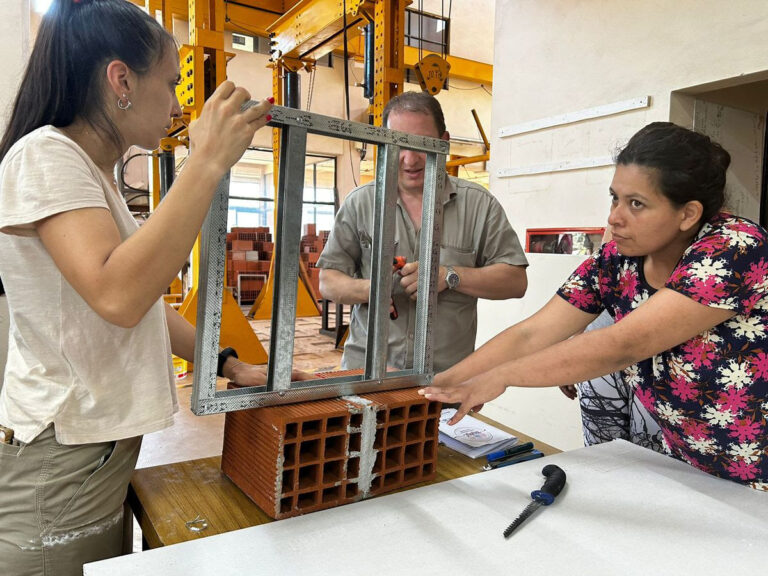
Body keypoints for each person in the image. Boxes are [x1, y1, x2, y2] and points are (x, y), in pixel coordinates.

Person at [0, 1, 286, 573]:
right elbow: (118, 297)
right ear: (121, 80)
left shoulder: (91, 172)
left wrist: (226, 362)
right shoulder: (47, 154)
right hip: (63, 457)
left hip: (92, 451)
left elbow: (143, 302)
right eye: (172, 83)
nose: (178, 105)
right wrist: (205, 163)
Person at [420, 121, 768, 490]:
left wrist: (498, 377)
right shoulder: (617, 260)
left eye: (636, 204)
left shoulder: (736, 248)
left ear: (688, 214)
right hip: (693, 465)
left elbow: (624, 344)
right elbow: (532, 333)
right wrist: (436, 388)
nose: (614, 217)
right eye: (614, 198)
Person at [318, 91, 528, 373]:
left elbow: (515, 281)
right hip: (368, 372)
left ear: (444, 142)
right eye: (398, 145)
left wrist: (449, 276)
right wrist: (371, 289)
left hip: (445, 380)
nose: (409, 159)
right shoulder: (362, 203)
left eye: (421, 145)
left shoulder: (479, 205)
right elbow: (328, 281)